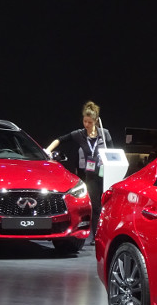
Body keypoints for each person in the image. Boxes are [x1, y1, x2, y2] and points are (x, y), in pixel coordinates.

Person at [44, 101, 110, 244]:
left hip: (105, 175)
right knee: (95, 206)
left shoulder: (104, 134)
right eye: (85, 121)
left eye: (90, 122)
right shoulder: (80, 134)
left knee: (106, 206)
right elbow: (60, 139)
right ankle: (96, 236)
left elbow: (112, 152)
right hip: (90, 176)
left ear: (96, 121)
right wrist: (47, 150)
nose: (86, 124)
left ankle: (106, 234)